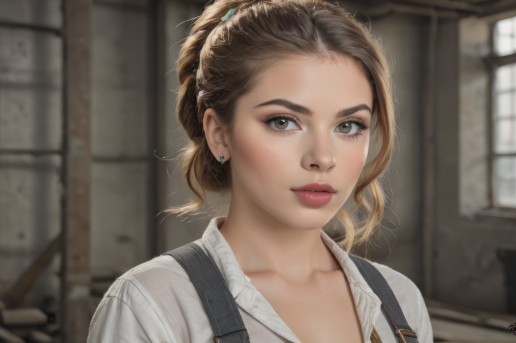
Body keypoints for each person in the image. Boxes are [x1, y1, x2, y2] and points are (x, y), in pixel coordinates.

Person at [87, 0, 433, 342]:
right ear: (218, 134)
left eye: (348, 126)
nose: (323, 158)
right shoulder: (153, 305)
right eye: (283, 121)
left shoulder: (401, 300)